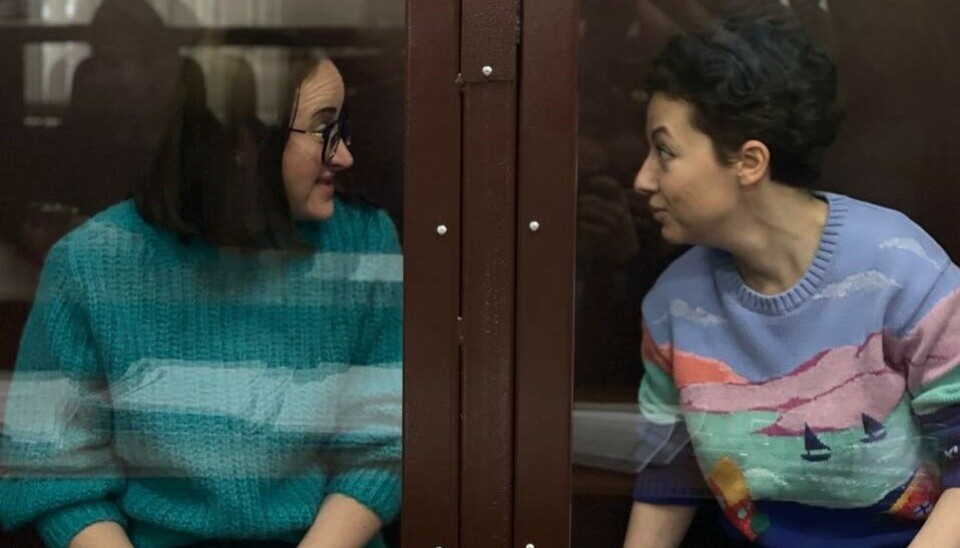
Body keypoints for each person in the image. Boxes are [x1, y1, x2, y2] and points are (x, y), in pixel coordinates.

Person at [0, 55, 402, 548]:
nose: (345, 157)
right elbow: (52, 465)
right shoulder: (90, 262)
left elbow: (385, 440)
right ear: (243, 143)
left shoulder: (362, 241)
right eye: (324, 130)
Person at [622, 16, 960, 548]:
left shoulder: (901, 270)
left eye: (664, 151)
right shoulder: (675, 303)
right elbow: (670, 472)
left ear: (749, 162)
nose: (642, 178)